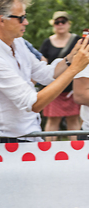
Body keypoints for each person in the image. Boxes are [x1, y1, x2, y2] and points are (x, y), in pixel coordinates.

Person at [0, 0, 89, 144]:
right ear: (2, 20)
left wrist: (70, 58)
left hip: (27, 134)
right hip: (11, 140)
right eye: (21, 18)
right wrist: (74, 69)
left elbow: (44, 74)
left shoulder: (16, 41)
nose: (26, 22)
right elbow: (33, 104)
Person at [40, 11, 82, 141]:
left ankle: (75, 153)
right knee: (52, 121)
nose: (60, 24)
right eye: (57, 22)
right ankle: (48, 153)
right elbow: (42, 65)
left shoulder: (77, 40)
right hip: (54, 88)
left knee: (74, 121)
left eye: (63, 21)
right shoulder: (47, 42)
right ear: (54, 24)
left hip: (72, 89)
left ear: (68, 24)